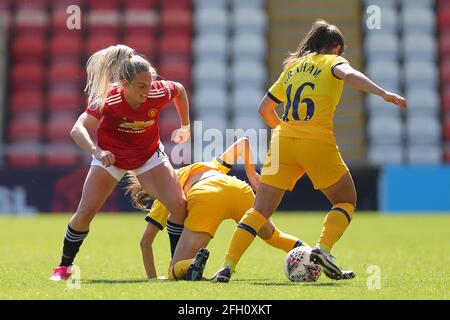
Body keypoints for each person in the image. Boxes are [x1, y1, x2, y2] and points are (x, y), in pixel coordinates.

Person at [212, 20, 407, 282]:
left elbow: (264, 109)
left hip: (283, 141)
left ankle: (227, 266)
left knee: (260, 210)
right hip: (316, 141)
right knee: (345, 200)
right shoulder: (331, 62)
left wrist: (286, 130)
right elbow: (350, 76)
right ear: (336, 48)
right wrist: (383, 93)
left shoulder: (292, 68)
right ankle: (323, 250)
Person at [50, 44, 191, 281]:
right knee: (85, 212)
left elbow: (179, 89)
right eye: (141, 86)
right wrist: (96, 150)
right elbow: (77, 129)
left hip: (148, 154)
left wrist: (185, 126)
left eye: (149, 84)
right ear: (123, 84)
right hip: (111, 157)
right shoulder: (108, 98)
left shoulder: (157, 91)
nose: (147, 91)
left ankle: (176, 268)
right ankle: (64, 268)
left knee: (179, 205)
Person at [126, 137, 308, 280]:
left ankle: (194, 267)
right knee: (273, 236)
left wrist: (152, 279)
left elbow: (145, 241)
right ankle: (315, 254)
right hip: (238, 189)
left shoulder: (165, 194)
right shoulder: (202, 166)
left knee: (175, 270)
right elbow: (243, 143)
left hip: (205, 196)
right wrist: (252, 175)